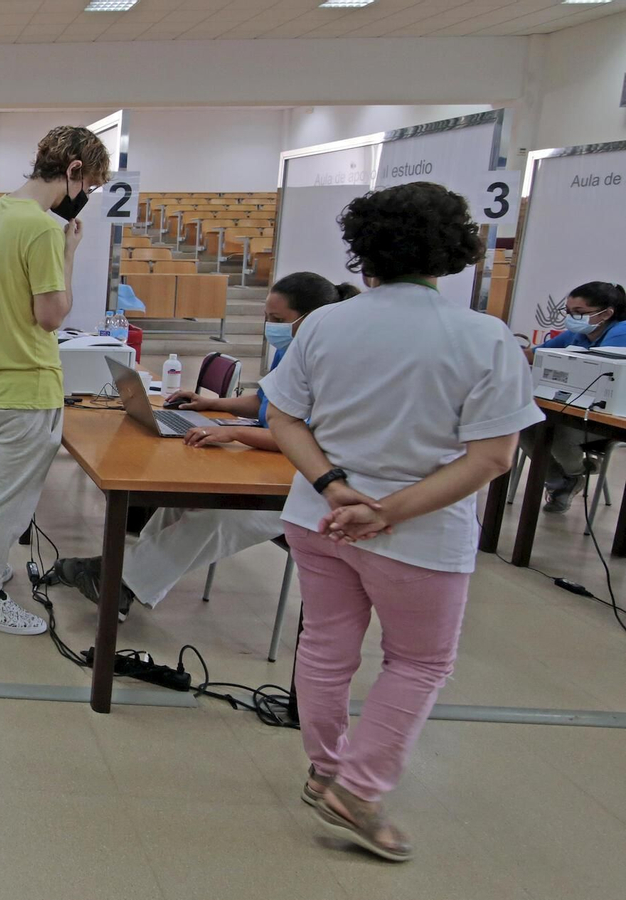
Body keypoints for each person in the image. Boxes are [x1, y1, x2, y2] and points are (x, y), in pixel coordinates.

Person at [260, 182, 542, 863]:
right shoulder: (484, 338)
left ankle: (326, 769)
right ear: (455, 251)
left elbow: (284, 416)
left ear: (365, 250)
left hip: (318, 518)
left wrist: (333, 488)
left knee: (327, 644)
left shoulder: (326, 321)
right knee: (419, 660)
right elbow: (493, 457)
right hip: (415, 535)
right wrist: (381, 511)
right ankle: (358, 788)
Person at [52, 273, 360, 620]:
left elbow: (298, 436)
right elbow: (263, 402)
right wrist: (210, 405)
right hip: (265, 468)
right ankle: (122, 578)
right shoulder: (290, 353)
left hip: (303, 490)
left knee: (217, 518)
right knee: (175, 502)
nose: (269, 327)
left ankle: (119, 579)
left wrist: (235, 433)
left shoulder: (333, 365)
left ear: (313, 318)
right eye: (266, 318)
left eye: (278, 320)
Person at [0, 125, 109, 635]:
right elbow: (50, 315)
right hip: (30, 384)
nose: (84, 199)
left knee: (8, 490)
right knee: (12, 496)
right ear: (73, 172)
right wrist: (68, 254)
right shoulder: (43, 229)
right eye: (89, 186)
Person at [519, 281, 626, 512]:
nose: (572, 318)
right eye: (568, 312)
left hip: (606, 418)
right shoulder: (576, 336)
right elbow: (534, 355)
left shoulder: (621, 334)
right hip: (573, 410)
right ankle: (564, 480)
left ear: (606, 313)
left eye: (579, 313)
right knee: (524, 423)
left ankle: (575, 473)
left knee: (556, 430)